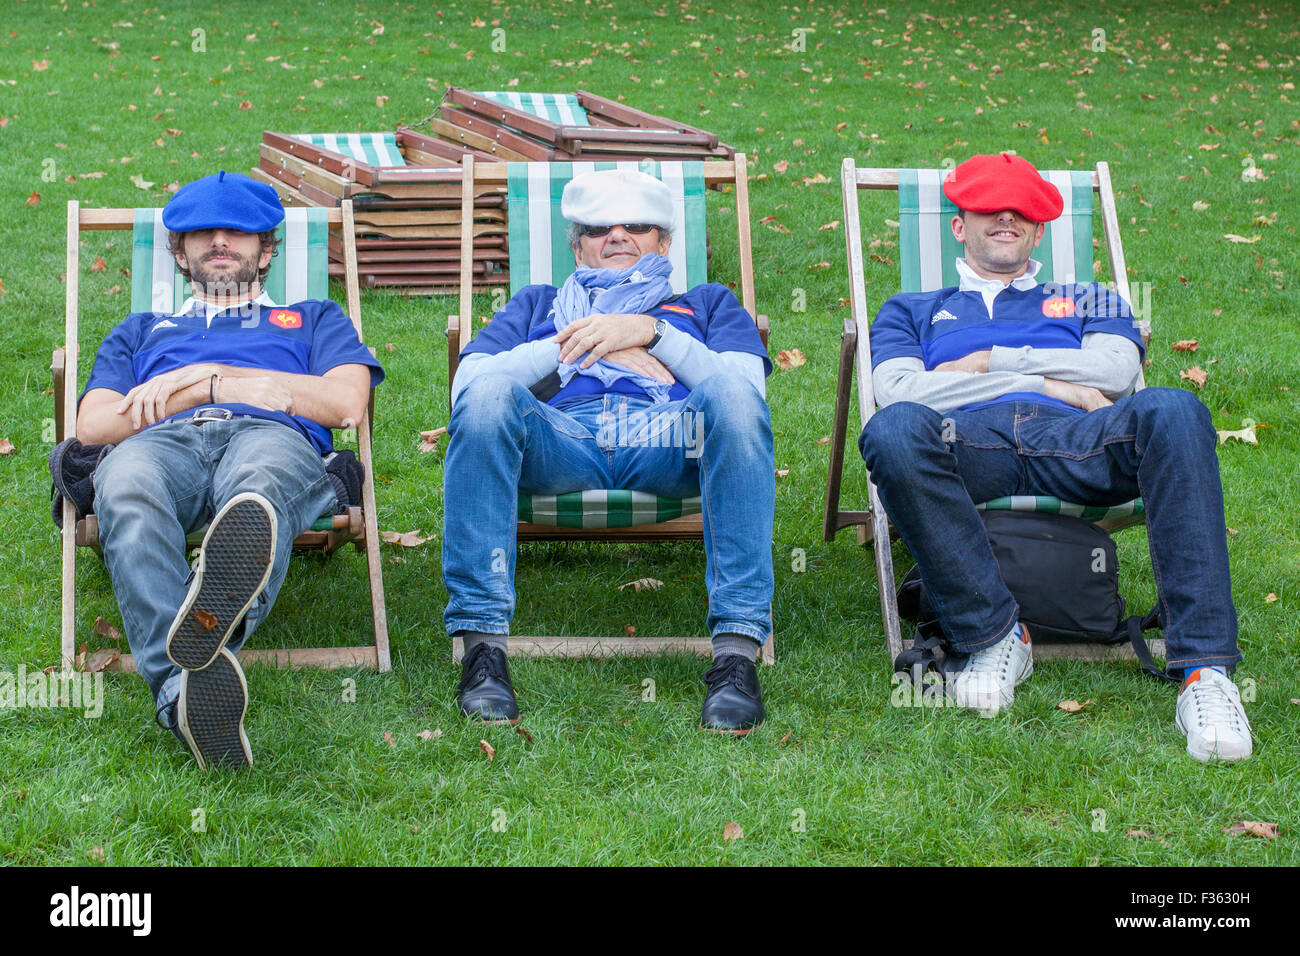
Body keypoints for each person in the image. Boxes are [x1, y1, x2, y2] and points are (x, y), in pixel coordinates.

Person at [858, 152, 1252, 761]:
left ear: (1037, 230)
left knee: (1174, 410)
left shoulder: (1086, 298)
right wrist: (1049, 379)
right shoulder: (910, 309)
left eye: (1021, 212)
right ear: (960, 225)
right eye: (990, 208)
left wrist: (988, 363)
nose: (1006, 218)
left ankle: (1206, 674)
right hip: (969, 444)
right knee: (892, 430)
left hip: (1080, 442)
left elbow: (1118, 369)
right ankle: (992, 636)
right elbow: (902, 390)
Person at [443, 168, 774, 734]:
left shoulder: (707, 303)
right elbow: (468, 388)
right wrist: (587, 339)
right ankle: (483, 652)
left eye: (638, 226)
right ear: (577, 246)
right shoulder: (537, 304)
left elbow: (746, 392)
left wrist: (649, 332)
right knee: (490, 395)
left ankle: (736, 657)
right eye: (599, 228)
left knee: (732, 397)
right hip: (561, 440)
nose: (618, 235)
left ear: (663, 242)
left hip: (669, 440)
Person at [76, 171, 384, 770]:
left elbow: (345, 404)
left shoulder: (314, 318)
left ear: (265, 249)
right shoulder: (141, 330)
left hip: (271, 439)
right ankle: (185, 690)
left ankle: (178, 678)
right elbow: (93, 426)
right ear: (179, 252)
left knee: (259, 490)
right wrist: (196, 395)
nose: (219, 242)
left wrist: (214, 375)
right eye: (201, 233)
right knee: (125, 482)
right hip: (163, 441)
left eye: (237, 232)